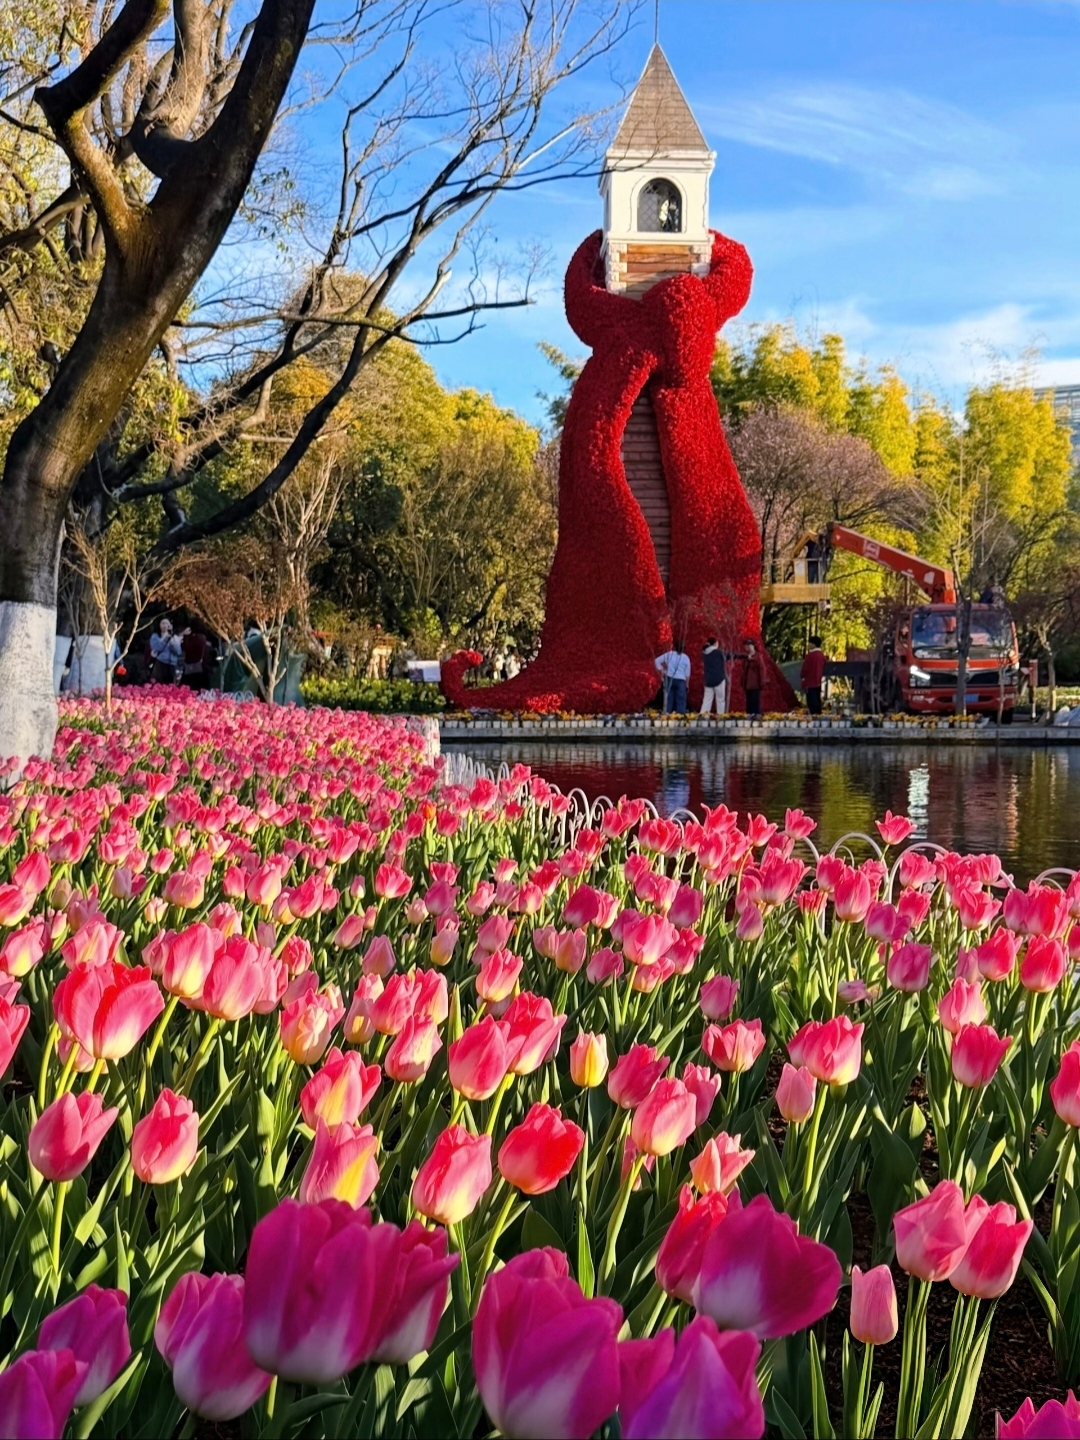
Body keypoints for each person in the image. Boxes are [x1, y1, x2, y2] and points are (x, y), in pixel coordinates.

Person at [654, 640, 690, 714]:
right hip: (681, 679)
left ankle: (667, 714)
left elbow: (656, 661)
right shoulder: (686, 658)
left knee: (669, 698)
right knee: (681, 699)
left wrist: (662, 669)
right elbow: (687, 673)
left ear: (674, 647)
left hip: (669, 677)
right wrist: (687, 684)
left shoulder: (669, 655)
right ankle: (680, 716)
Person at [150, 618, 184, 684]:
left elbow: (178, 651)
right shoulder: (155, 636)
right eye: (163, 623)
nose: (165, 625)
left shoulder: (175, 637)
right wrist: (166, 639)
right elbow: (156, 648)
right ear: (159, 625)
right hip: (160, 663)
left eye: (167, 623)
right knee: (158, 684)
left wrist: (173, 642)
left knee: (170, 685)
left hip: (172, 664)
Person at [700, 636, 727, 716]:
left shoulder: (704, 653)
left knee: (707, 700)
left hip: (708, 680)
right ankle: (720, 717)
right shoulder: (719, 653)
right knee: (720, 700)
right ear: (715, 643)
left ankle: (704, 716)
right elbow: (729, 655)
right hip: (719, 679)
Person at [801, 634, 826, 716]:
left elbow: (804, 669)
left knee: (811, 701)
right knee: (817, 700)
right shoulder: (821, 656)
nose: (808, 645)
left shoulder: (809, 656)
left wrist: (802, 676)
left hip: (809, 681)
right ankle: (818, 717)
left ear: (814, 644)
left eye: (810, 643)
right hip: (818, 681)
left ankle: (813, 717)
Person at [741, 637, 763, 716]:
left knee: (755, 702)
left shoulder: (758, 656)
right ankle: (749, 716)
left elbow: (761, 669)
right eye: (745, 646)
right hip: (747, 684)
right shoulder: (746, 657)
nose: (746, 647)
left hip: (755, 684)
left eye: (748, 645)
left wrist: (762, 682)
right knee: (749, 702)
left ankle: (756, 716)